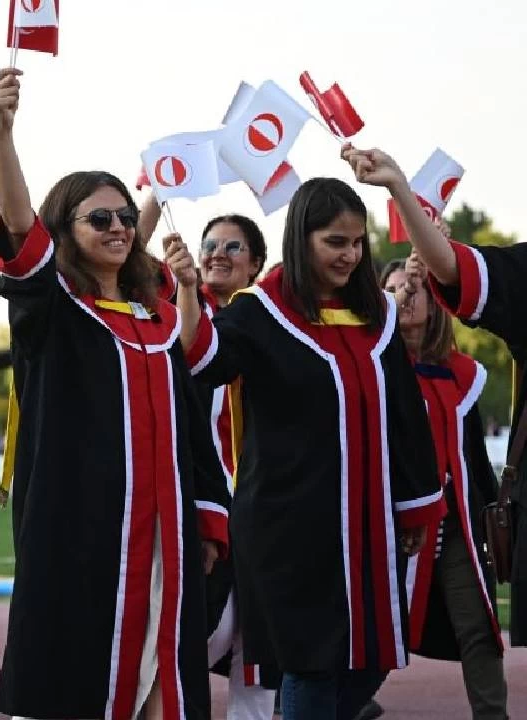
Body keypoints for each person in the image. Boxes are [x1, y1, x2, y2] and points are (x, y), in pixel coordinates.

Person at [0, 67, 231, 720]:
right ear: (65, 229)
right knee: (83, 678)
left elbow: (188, 426)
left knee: (163, 675)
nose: (119, 227)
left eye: (126, 216)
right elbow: (19, 228)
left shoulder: (155, 325)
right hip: (84, 536)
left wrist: (206, 514)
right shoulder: (56, 310)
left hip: (164, 536)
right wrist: (3, 135)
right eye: (100, 218)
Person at [179, 175, 444, 719]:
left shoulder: (378, 316)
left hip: (367, 528)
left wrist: (416, 502)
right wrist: (186, 290)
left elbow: (404, 414)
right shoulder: (260, 311)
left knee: (368, 660)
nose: (351, 255)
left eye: (357, 242)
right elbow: (203, 360)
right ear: (302, 239)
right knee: (310, 661)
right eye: (335, 242)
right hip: (289, 527)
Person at [365, 257, 509, 719]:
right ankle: (349, 703)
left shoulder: (463, 374)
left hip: (456, 522)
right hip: (389, 521)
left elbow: (472, 459)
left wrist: (492, 518)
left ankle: (493, 715)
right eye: (391, 290)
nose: (403, 297)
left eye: (413, 288)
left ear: (435, 302)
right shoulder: (371, 367)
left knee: (478, 626)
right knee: (376, 623)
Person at [162, 212, 281, 720]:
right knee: (194, 636)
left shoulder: (279, 328)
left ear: (257, 264)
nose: (217, 253)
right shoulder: (180, 319)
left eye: (233, 247)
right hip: (200, 502)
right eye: (209, 243)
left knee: (255, 646)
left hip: (263, 505)